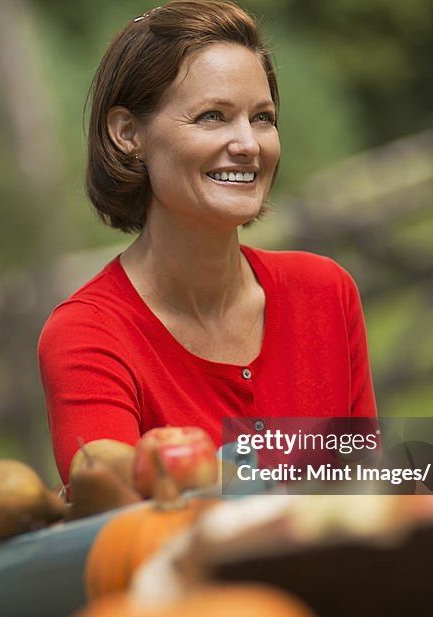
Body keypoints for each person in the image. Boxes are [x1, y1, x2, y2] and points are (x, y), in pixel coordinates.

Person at [38, 0, 377, 485]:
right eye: (212, 116)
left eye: (262, 117)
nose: (248, 144)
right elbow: (118, 529)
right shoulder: (88, 339)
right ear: (128, 133)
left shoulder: (326, 291)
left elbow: (372, 495)